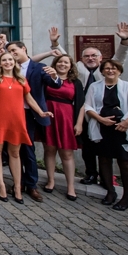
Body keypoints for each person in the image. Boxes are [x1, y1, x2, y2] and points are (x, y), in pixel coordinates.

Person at [45, 23, 128, 186]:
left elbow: (120, 57)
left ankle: (107, 179)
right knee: (88, 147)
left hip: (104, 113)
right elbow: (64, 59)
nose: (90, 59)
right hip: (81, 113)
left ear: (100, 58)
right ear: (81, 59)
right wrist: (55, 44)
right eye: (86, 56)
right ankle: (91, 173)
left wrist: (125, 40)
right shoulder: (79, 70)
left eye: (93, 56)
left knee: (105, 148)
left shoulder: (106, 70)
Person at [0, 52, 54, 204]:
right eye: (4, 60)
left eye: (10, 60)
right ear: (0, 63)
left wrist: (40, 112)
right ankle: (1, 185)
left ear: (14, 62)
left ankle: (18, 187)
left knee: (15, 153)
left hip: (16, 120)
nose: (7, 62)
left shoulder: (21, 79)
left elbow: (29, 98)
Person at [84, 60, 128, 211]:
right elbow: (88, 106)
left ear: (119, 71)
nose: (110, 71)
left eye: (114, 68)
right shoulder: (94, 86)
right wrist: (100, 119)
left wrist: (127, 122)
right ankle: (110, 192)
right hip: (102, 128)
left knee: (125, 162)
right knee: (104, 160)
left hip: (121, 129)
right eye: (107, 68)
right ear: (102, 71)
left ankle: (126, 197)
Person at [6, 41, 62, 202]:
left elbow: (54, 84)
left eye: (14, 50)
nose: (12, 53)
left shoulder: (38, 67)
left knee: (28, 149)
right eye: (10, 51)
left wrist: (54, 76)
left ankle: (31, 184)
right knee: (15, 151)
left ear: (23, 49)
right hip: (14, 113)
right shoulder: (9, 68)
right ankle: (19, 182)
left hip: (31, 113)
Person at [42, 54, 85, 201]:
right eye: (60, 62)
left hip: (66, 117)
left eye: (66, 62)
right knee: (50, 149)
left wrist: (79, 123)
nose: (62, 64)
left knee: (66, 153)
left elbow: (81, 104)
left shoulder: (75, 82)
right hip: (49, 115)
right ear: (55, 64)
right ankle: (51, 180)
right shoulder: (47, 79)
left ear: (70, 66)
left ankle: (70, 186)